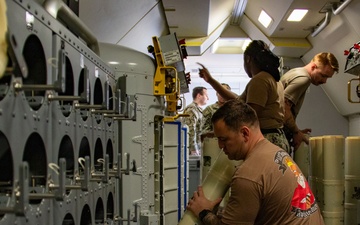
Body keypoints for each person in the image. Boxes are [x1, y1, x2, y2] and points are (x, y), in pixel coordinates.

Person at [186, 99, 324, 225]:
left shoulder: (248, 175)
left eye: (224, 139)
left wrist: (203, 211)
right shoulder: (277, 152)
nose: (220, 146)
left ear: (245, 133)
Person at [198, 40, 290, 152]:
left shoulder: (259, 80)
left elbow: (249, 118)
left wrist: (219, 134)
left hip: (266, 142)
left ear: (248, 59)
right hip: (277, 139)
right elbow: (237, 101)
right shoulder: (272, 79)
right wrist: (211, 80)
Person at [281, 52, 339, 150]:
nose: (324, 81)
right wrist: (296, 132)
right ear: (313, 67)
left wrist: (296, 130)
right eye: (323, 76)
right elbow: (283, 107)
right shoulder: (304, 79)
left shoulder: (296, 71)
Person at [182, 86, 209, 155]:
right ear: (199, 96)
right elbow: (190, 131)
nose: (208, 98)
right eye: (206, 95)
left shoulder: (199, 110)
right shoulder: (191, 110)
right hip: (192, 151)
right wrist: (193, 149)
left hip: (198, 148)